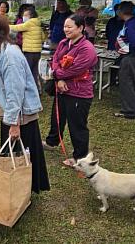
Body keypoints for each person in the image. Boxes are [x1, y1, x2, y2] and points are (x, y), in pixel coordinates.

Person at [0, 16, 50, 193]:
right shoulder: (5, 51)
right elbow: (8, 83)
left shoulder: (10, 56)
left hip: (20, 116)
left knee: (20, 154)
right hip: (16, 114)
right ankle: (19, 189)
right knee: (17, 154)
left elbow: (15, 92)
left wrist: (14, 124)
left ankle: (21, 190)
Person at [43, 14, 99, 167]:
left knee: (77, 125)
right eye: (65, 26)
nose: (66, 29)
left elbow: (75, 69)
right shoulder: (63, 43)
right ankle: (52, 141)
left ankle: (80, 156)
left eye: (69, 27)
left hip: (78, 92)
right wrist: (59, 78)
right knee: (57, 117)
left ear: (80, 28)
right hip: (62, 88)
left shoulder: (87, 48)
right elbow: (55, 60)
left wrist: (56, 74)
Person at [10, 5, 45, 86]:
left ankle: (27, 88)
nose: (24, 17)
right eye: (23, 15)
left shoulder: (29, 23)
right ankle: (35, 88)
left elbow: (18, 27)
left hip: (29, 51)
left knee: (27, 71)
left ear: (31, 15)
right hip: (37, 52)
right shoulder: (37, 23)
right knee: (34, 72)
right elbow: (43, 37)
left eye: (26, 15)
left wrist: (6, 26)